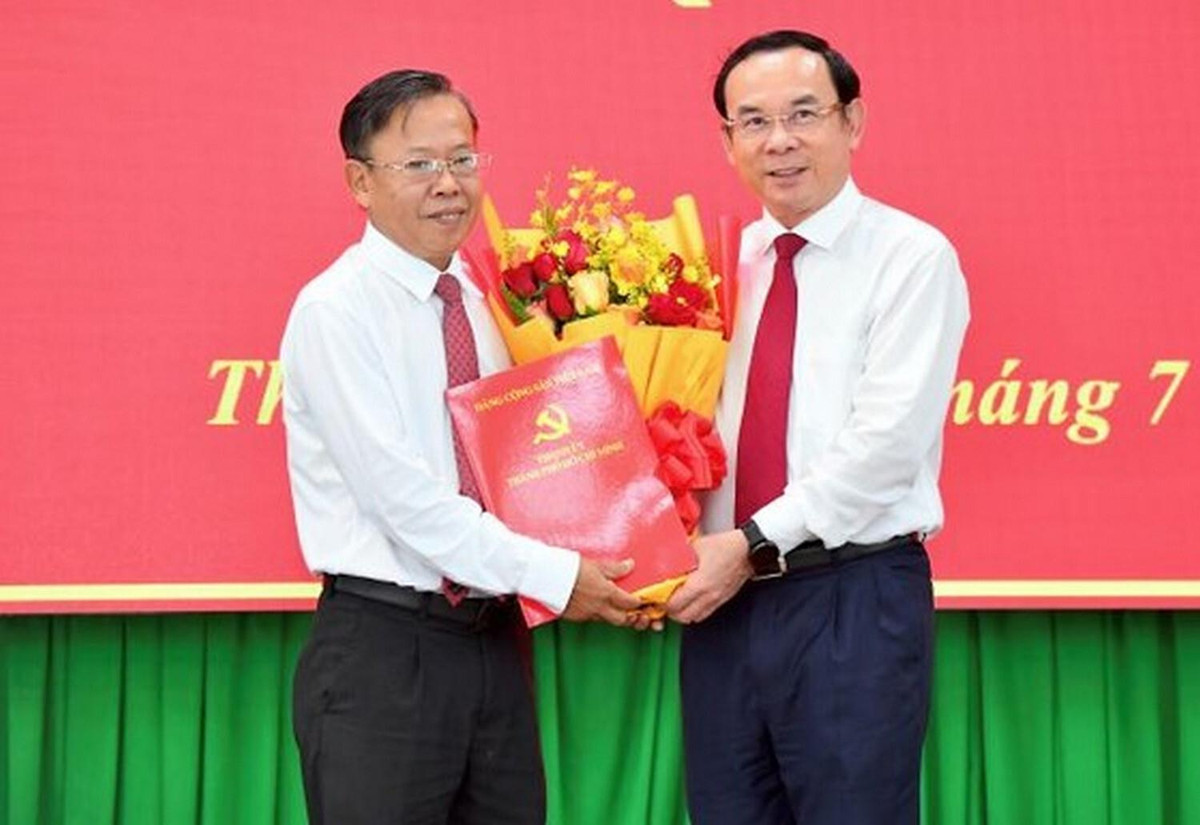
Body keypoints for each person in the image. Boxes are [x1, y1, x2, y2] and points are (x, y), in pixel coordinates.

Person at [280, 69, 644, 825]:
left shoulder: (489, 304)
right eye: (419, 164)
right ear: (360, 181)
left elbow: (536, 469)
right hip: (386, 653)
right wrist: (559, 575)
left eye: (463, 160)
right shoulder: (335, 311)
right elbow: (404, 501)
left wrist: (631, 537)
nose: (448, 183)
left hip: (496, 643)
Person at [666, 30, 970, 825]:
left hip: (852, 598)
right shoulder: (718, 270)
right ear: (728, 140)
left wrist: (749, 541)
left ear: (852, 121)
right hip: (725, 607)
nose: (780, 141)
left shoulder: (911, 257)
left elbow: (885, 448)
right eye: (754, 121)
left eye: (803, 113)